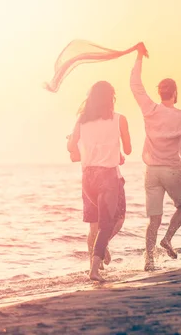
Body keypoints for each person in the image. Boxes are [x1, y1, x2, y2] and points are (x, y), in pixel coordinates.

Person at [130, 43, 181, 271]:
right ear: (175, 93)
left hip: (151, 172)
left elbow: (135, 85)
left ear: (159, 93)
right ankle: (168, 239)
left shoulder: (150, 109)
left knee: (153, 219)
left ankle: (149, 259)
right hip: (171, 169)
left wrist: (139, 57)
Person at [67, 81, 132, 281]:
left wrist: (81, 149)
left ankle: (98, 252)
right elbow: (128, 150)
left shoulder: (81, 121)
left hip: (88, 178)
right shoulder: (119, 119)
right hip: (108, 177)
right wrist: (118, 152)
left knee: (95, 225)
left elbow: (71, 148)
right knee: (113, 221)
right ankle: (94, 269)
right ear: (110, 98)